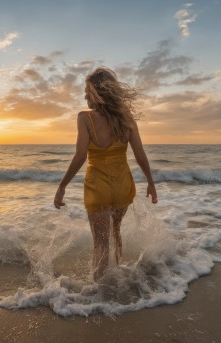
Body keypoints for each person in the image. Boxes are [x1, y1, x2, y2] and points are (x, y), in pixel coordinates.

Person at [53, 67, 158, 281]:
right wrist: (150, 182)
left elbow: (81, 155)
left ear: (95, 93)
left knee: (100, 243)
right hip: (122, 186)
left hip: (98, 188)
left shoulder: (85, 118)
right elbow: (140, 154)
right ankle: (117, 279)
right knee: (115, 233)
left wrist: (62, 186)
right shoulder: (126, 119)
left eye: (86, 91)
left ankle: (97, 292)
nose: (84, 95)